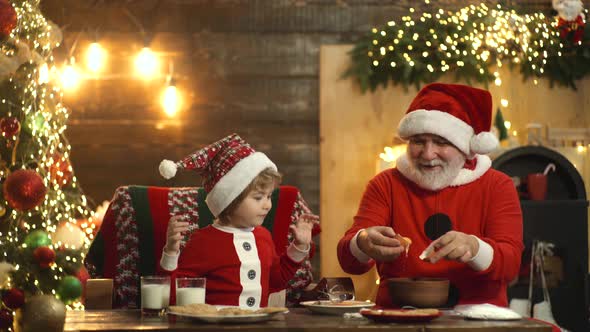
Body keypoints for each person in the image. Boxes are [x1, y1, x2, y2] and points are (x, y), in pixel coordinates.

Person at [337, 83, 524, 307]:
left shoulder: (497, 185)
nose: (427, 154)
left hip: (476, 317)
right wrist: (363, 242)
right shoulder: (385, 184)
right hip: (398, 315)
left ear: (465, 147)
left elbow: (511, 264)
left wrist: (474, 248)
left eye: (441, 142)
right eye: (418, 141)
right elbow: (349, 262)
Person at [158, 133, 317, 308]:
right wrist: (171, 252)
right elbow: (173, 295)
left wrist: (299, 247)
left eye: (269, 196)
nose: (267, 205)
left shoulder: (263, 237)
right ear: (231, 200)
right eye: (258, 198)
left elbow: (276, 281)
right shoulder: (204, 241)